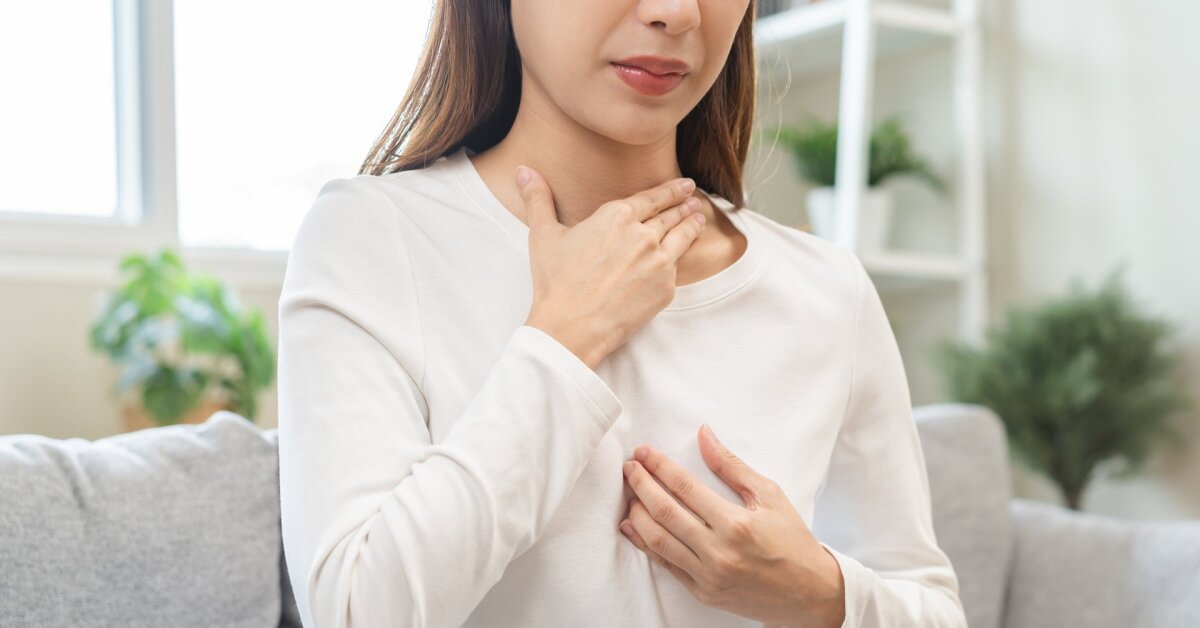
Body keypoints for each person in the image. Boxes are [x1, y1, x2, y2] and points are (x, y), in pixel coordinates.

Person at [276, 1, 969, 627]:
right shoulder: (372, 239)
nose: (677, 12)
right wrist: (564, 337)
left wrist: (819, 593)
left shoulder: (827, 290)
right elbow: (354, 612)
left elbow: (933, 609)